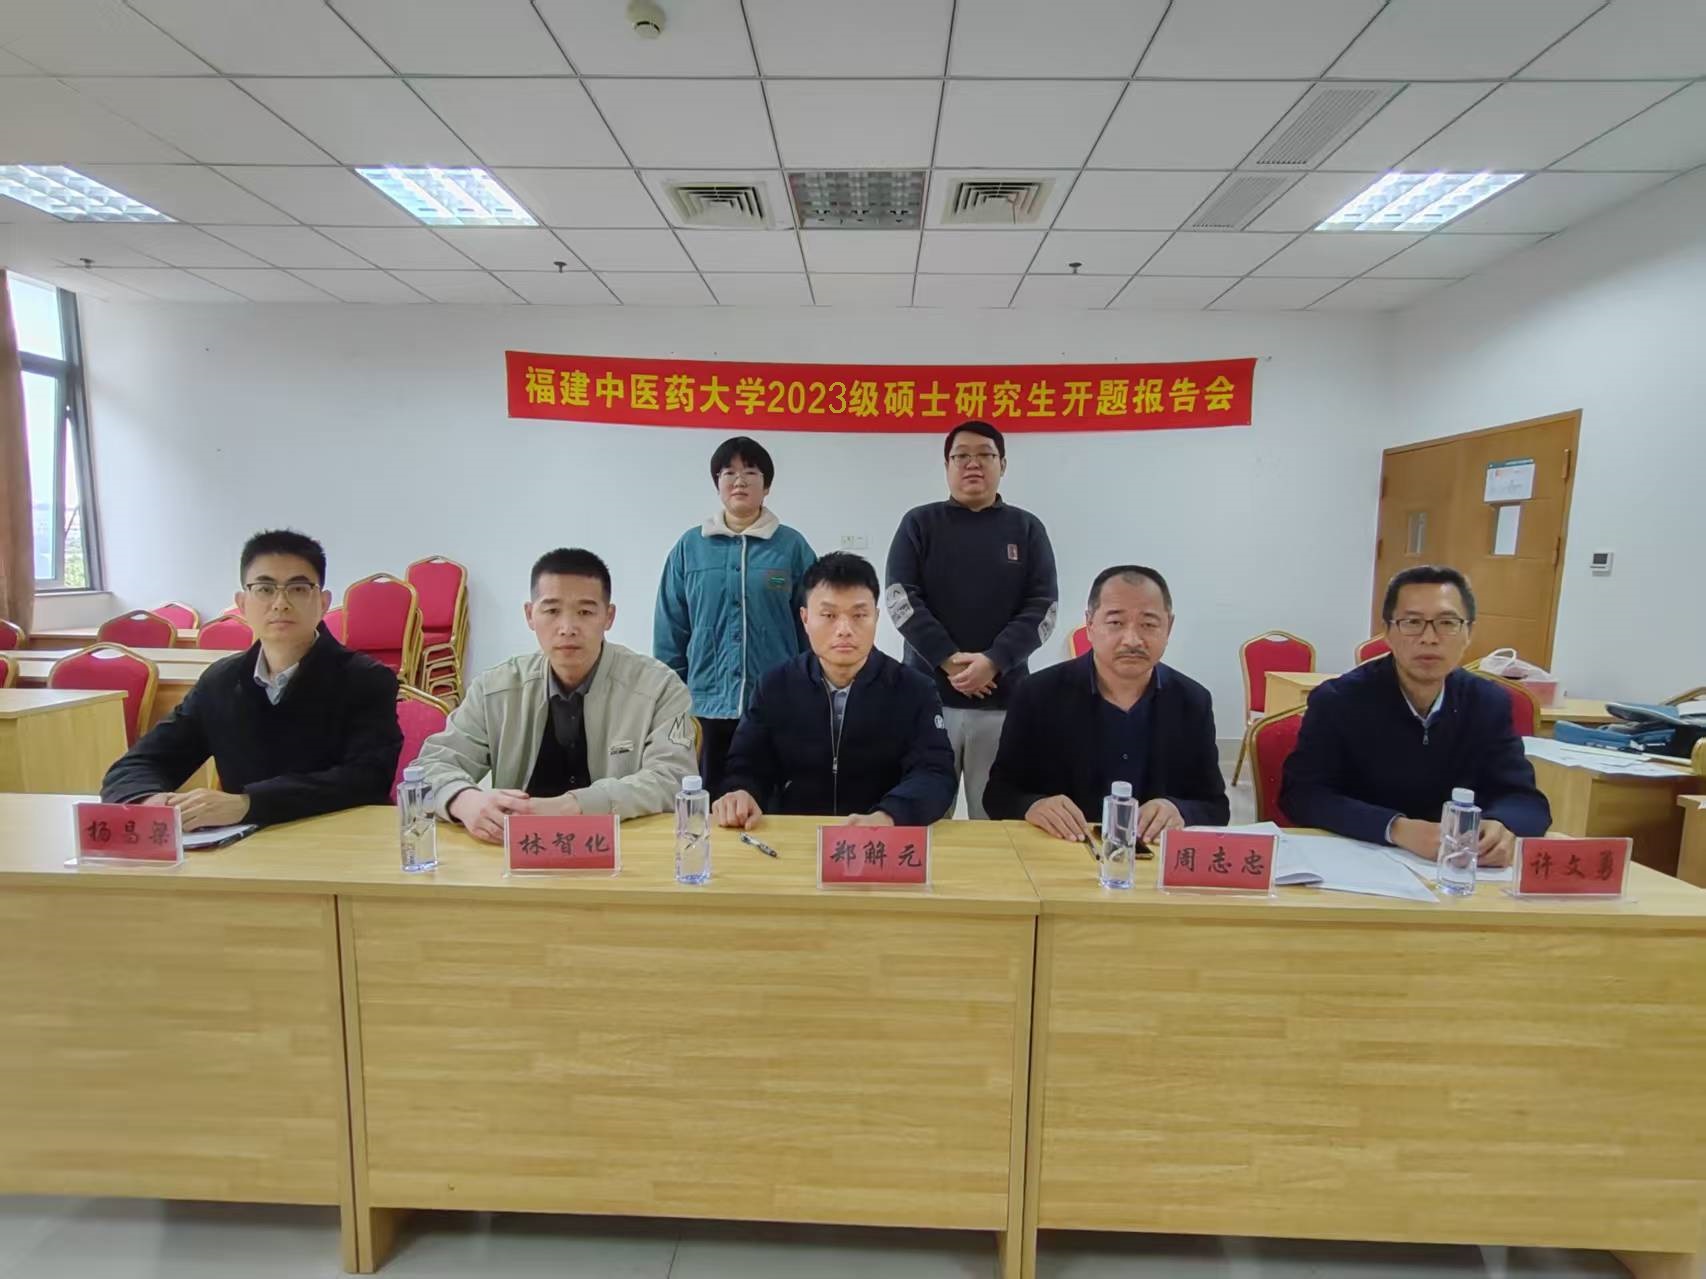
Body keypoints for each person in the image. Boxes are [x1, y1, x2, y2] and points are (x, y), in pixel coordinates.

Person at [101, 529, 401, 829]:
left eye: (298, 589)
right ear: (242, 603)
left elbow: (366, 779)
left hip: (340, 840)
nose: (280, 603)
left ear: (323, 602)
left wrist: (248, 804)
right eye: (265, 589)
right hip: (242, 846)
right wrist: (150, 801)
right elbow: (136, 765)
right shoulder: (220, 682)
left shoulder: (366, 679)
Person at [416, 547, 695, 842]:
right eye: (551, 611)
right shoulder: (495, 689)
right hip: (517, 848)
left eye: (585, 612)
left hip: (625, 848)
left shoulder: (658, 687)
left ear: (608, 617)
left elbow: (674, 778)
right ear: (530, 615)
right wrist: (464, 800)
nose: (567, 628)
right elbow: (428, 768)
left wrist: (576, 806)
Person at [1280, 565, 1550, 867]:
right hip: (1362, 863)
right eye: (1412, 622)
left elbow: (1525, 800)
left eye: (1447, 623)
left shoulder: (1488, 702)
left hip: (1460, 869)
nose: (1429, 638)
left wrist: (1502, 825)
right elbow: (1303, 795)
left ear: (1469, 633)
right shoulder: (1339, 700)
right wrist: (1395, 828)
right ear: (1388, 633)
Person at [884, 421, 1058, 819]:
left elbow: (1042, 607)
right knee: (924, 815)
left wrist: (994, 661)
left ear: (1003, 464)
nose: (972, 464)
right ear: (947, 465)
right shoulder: (919, 524)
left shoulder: (1027, 529)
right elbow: (900, 599)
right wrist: (948, 659)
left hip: (1003, 700)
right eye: (961, 456)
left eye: (985, 455)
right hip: (927, 698)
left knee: (996, 816)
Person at [712, 552, 955, 830]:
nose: (844, 630)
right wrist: (742, 793)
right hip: (793, 836)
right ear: (805, 619)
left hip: (880, 837)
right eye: (828, 615)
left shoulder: (914, 689)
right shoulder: (775, 686)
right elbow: (746, 765)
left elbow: (934, 773)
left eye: (859, 615)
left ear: (876, 617)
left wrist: (889, 816)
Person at [984, 564, 1228, 841]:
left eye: (1148, 624)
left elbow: (1216, 807)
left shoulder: (1192, 701)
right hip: (1062, 850)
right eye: (1116, 623)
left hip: (1152, 856)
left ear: (1168, 627)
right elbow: (998, 794)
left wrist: (1180, 811)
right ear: (1090, 625)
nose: (1132, 640)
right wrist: (1033, 806)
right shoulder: (1037, 694)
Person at [654, 435, 816, 796]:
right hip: (705, 705)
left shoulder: (791, 547)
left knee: (773, 801)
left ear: (766, 486)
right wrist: (671, 697)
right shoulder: (690, 547)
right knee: (707, 800)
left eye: (751, 472)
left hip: (776, 702)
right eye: (729, 473)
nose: (739, 481)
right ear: (718, 484)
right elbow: (672, 626)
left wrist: (810, 689)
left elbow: (812, 624)